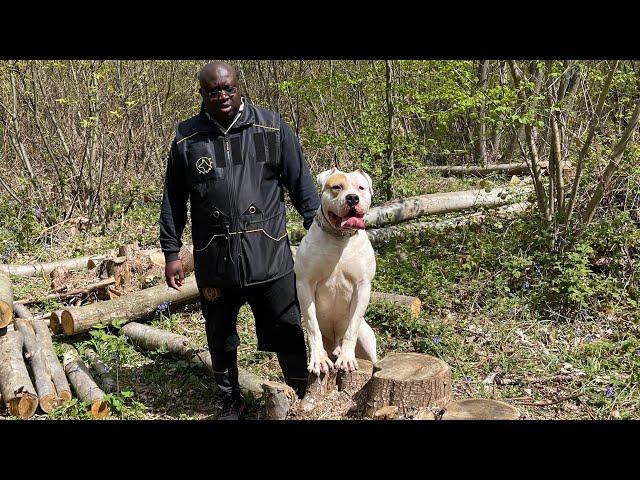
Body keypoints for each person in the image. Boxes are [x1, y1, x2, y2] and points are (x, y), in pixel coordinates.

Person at [159, 61, 319, 420]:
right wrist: (171, 251)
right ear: (202, 94)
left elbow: (301, 184)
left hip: (270, 256)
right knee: (220, 335)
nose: (223, 96)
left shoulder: (271, 127)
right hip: (215, 262)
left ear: (239, 87)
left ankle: (299, 394)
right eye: (214, 91)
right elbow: (173, 199)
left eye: (228, 88)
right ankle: (230, 401)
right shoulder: (187, 140)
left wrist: (317, 227)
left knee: (287, 327)